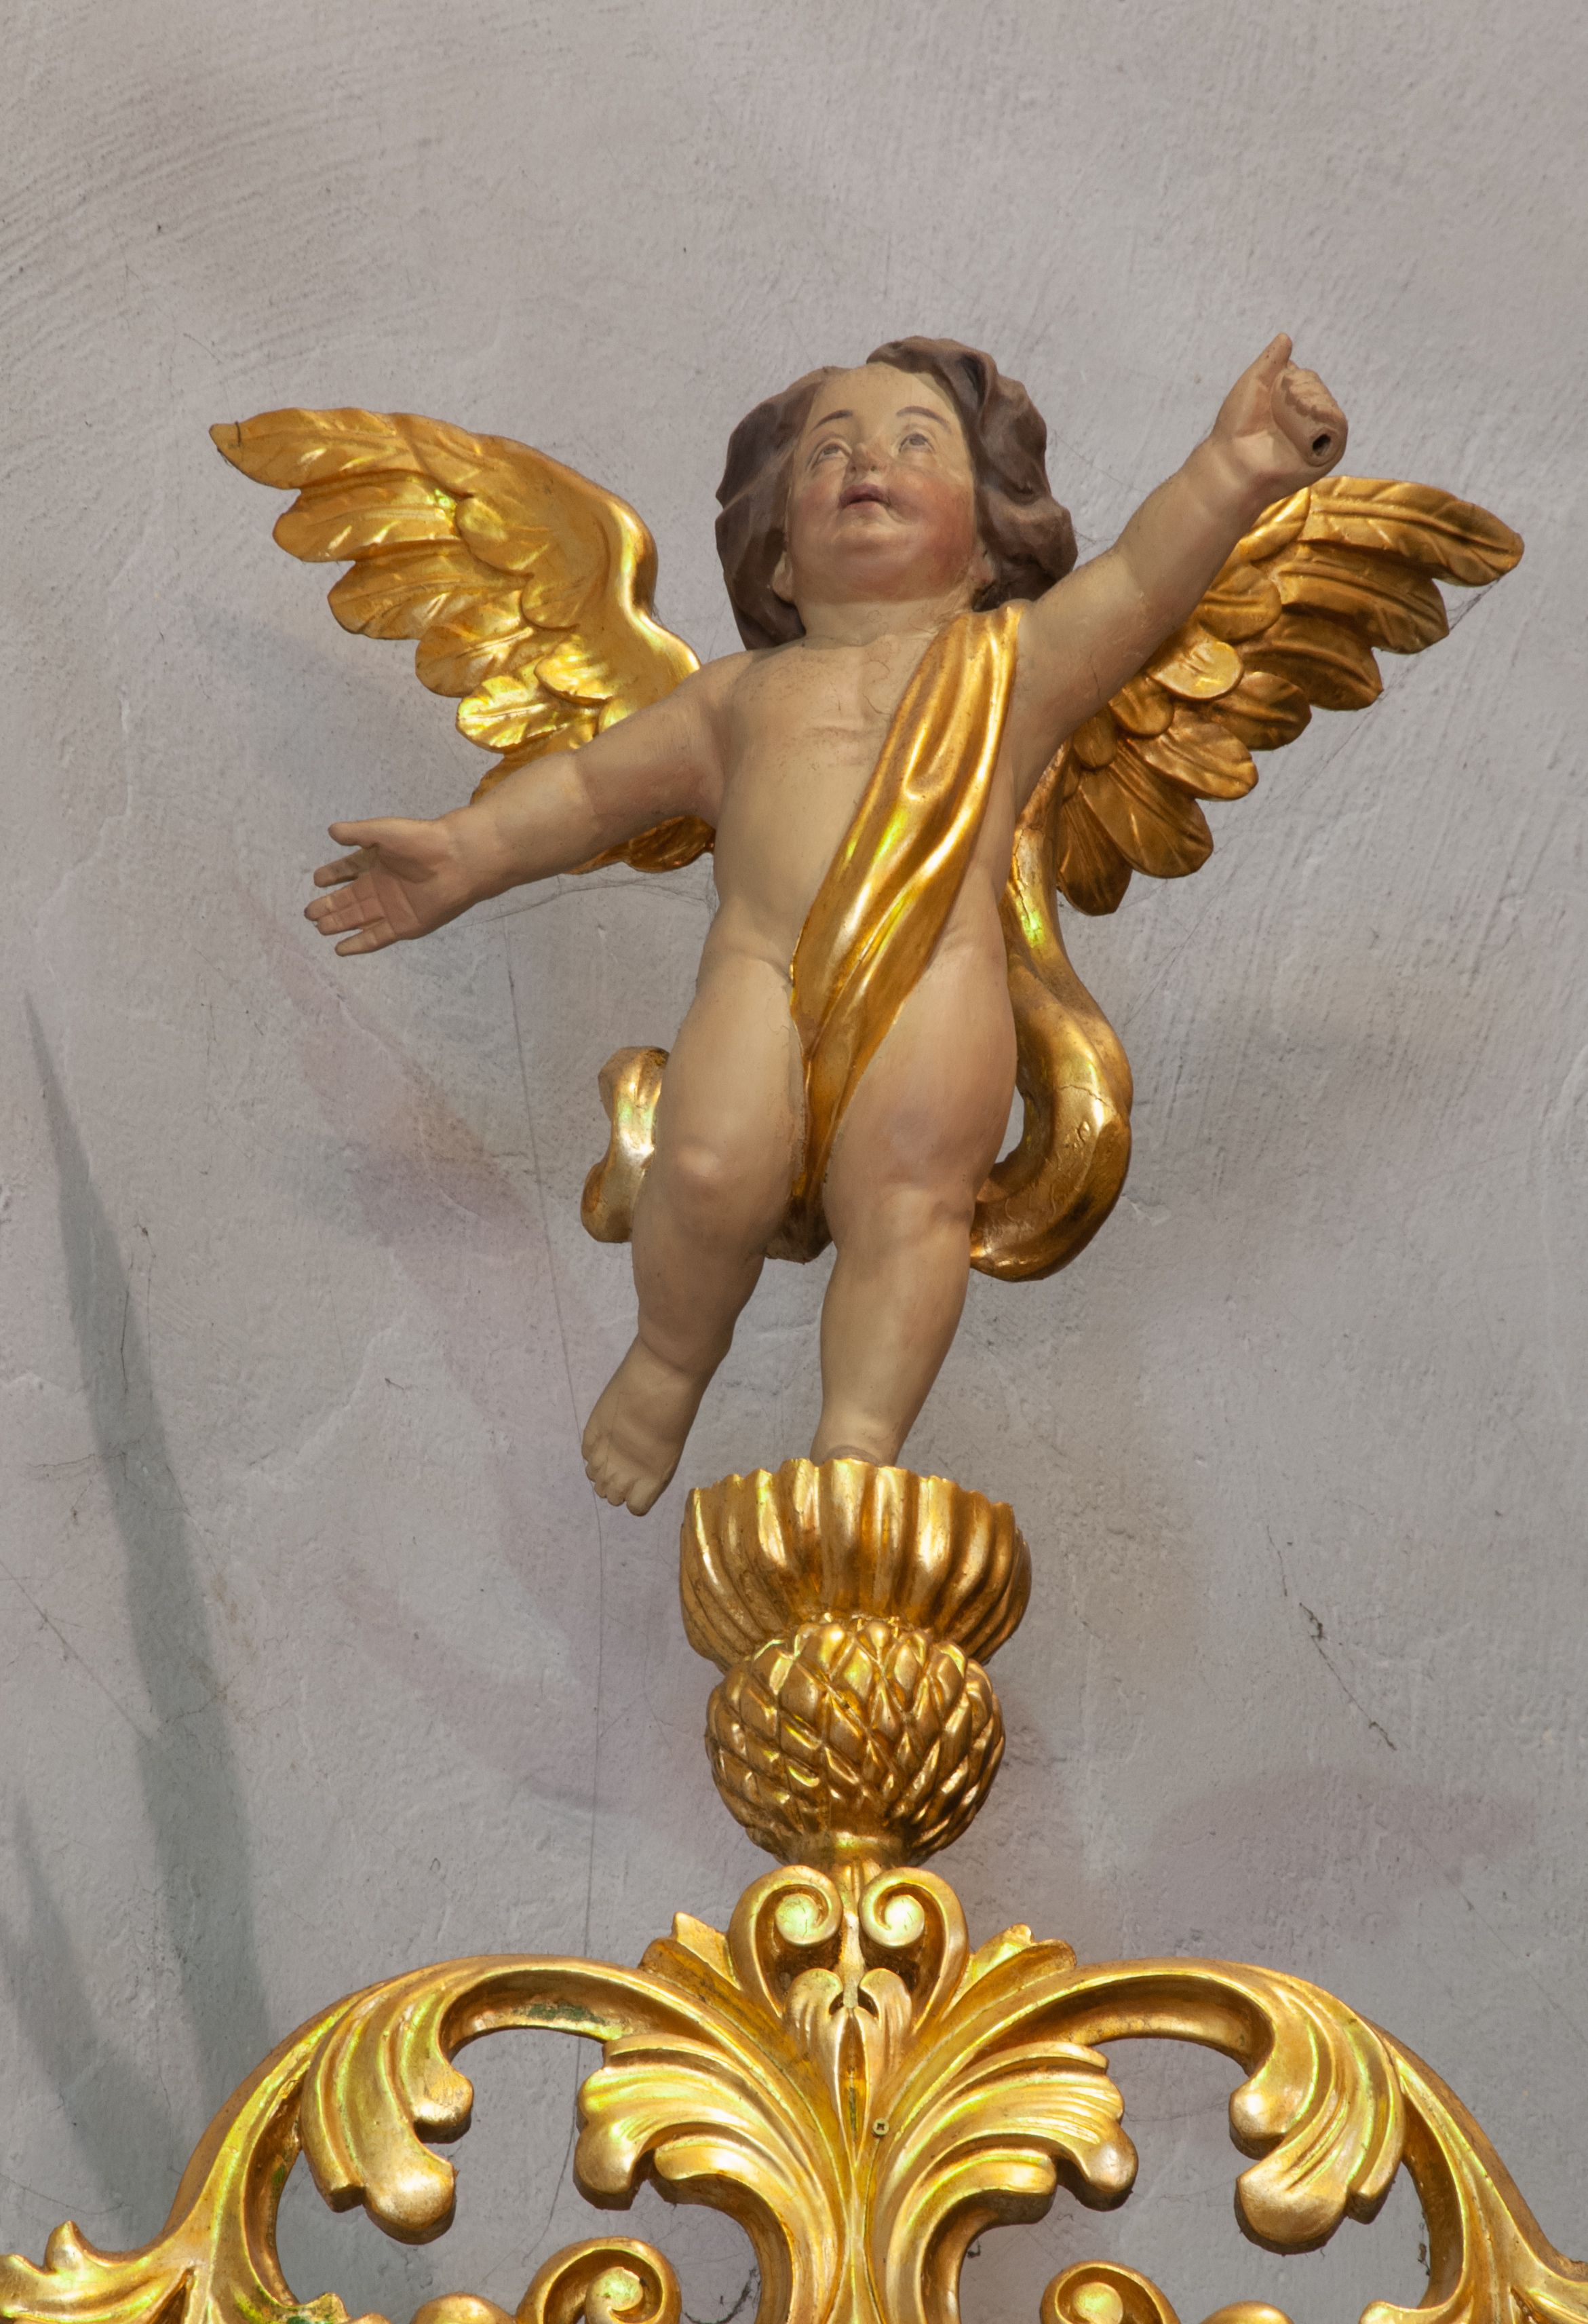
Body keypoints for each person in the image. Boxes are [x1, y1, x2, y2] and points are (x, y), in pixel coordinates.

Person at [304, 333, 1345, 1512]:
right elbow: (591, 791)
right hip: (759, 979)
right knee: (703, 1164)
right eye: (828, 454)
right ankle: (670, 1357)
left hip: (936, 987)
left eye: (915, 444)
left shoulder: (1014, 667)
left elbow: (1145, 582)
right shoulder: (736, 698)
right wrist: (468, 853)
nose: (867, 464)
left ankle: (856, 1444)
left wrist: (1239, 463)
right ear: (780, 558)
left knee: (909, 1209)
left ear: (986, 543)